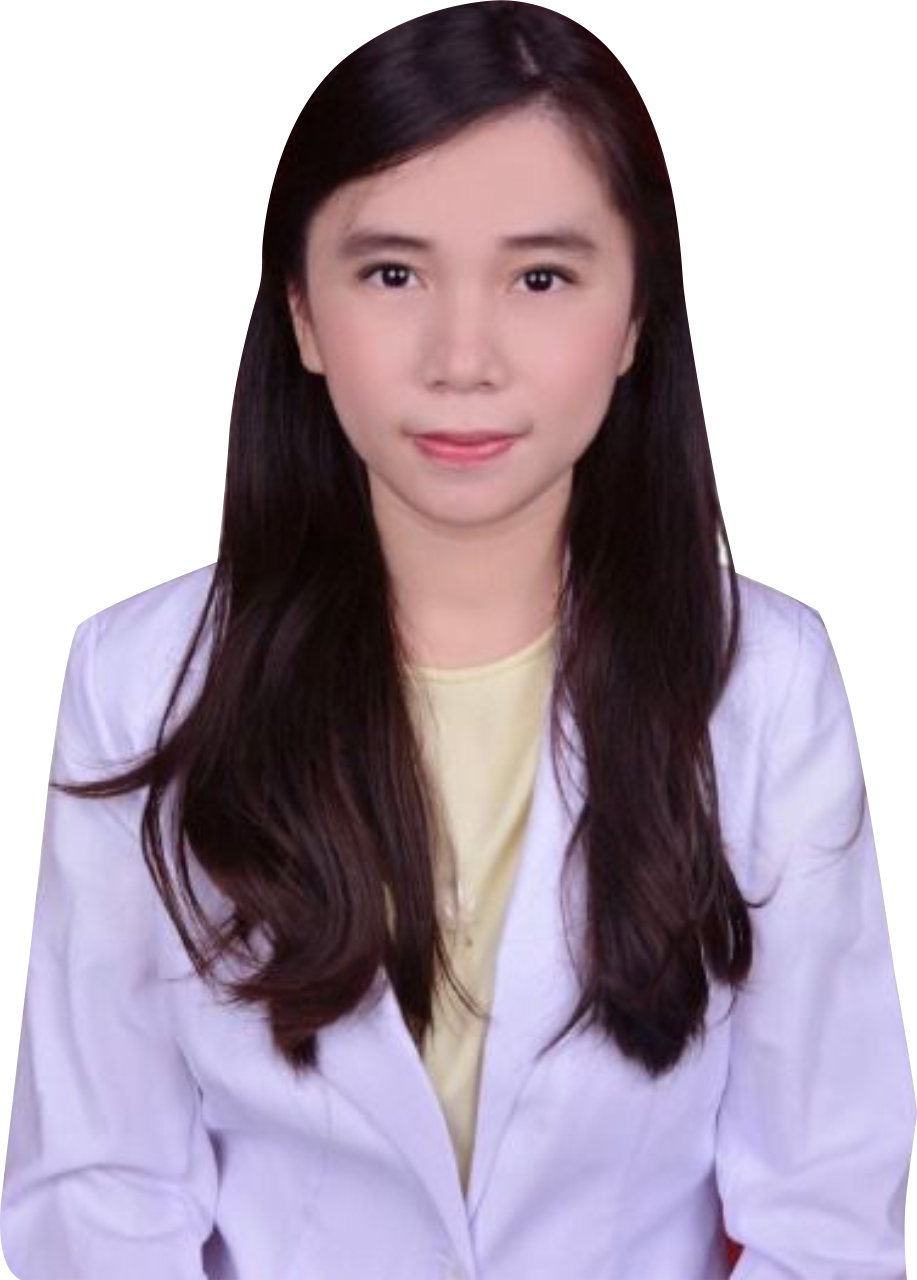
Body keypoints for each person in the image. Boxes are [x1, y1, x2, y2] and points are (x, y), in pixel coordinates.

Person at [0, 1, 913, 1275]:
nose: (462, 358)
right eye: (392, 274)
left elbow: (825, 1203)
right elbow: (99, 1190)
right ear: (301, 313)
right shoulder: (138, 682)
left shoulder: (762, 682)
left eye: (540, 278)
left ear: (635, 318)